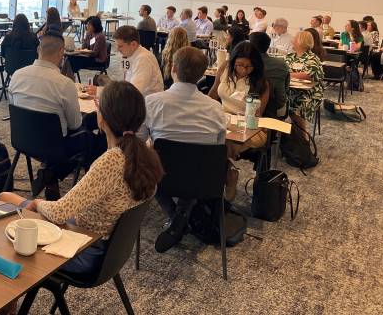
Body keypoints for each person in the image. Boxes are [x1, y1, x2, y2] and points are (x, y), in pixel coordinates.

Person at [0, 80, 164, 274]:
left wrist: (36, 203)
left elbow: (61, 211)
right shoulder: (145, 155)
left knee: (4, 201)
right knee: (8, 204)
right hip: (109, 250)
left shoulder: (111, 161)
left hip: (86, 248)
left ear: (101, 118)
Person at [143, 47, 226, 253]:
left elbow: (138, 141)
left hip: (162, 177)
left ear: (173, 69)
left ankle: (174, 217)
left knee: (149, 165)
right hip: (204, 181)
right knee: (195, 160)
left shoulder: (152, 102)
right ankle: (180, 218)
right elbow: (218, 146)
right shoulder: (216, 108)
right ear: (202, 75)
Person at [8, 34, 88, 199]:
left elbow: (14, 105)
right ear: (61, 53)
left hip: (22, 140)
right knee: (92, 140)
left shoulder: (16, 75)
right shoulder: (65, 84)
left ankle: (49, 172)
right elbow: (74, 124)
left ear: (38, 50)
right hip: (55, 146)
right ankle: (51, 174)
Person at [209, 41, 269, 196]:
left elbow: (256, 117)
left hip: (250, 127)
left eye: (248, 66)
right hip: (223, 119)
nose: (243, 70)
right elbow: (212, 95)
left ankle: (225, 176)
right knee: (207, 137)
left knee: (220, 141)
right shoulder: (225, 68)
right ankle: (228, 171)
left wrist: (235, 124)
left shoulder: (261, 82)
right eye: (239, 65)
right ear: (233, 61)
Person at [285, 31, 324, 133]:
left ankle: (302, 138)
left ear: (300, 42)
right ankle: (284, 137)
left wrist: (288, 74)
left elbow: (307, 75)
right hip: (290, 90)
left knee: (299, 103)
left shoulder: (312, 58)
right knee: (276, 99)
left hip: (309, 93)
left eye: (294, 39)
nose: (292, 41)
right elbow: (283, 70)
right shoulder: (290, 56)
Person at [113, 25, 163, 98]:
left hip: (147, 103)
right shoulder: (128, 54)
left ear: (133, 44)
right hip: (137, 99)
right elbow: (125, 82)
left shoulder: (143, 59)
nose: (117, 49)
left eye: (120, 46)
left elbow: (134, 92)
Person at [250, 32, 290, 119]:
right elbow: (286, 88)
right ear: (268, 46)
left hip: (251, 104)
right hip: (277, 104)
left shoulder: (247, 63)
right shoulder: (281, 63)